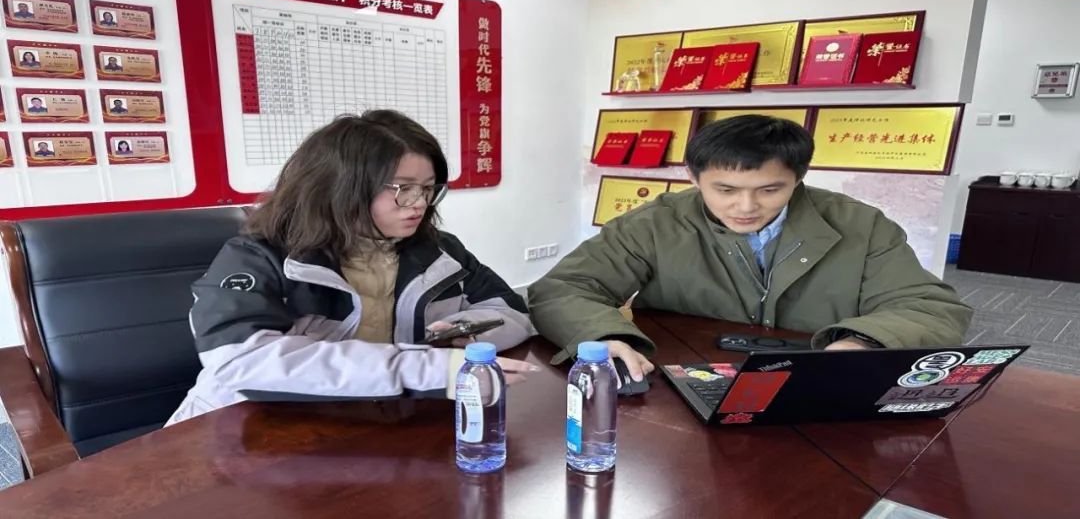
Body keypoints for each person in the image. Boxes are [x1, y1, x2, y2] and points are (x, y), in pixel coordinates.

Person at [529, 115, 973, 381]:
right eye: (724, 189)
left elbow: (930, 308)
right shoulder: (656, 222)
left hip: (814, 383)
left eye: (770, 190)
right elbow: (563, 288)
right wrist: (602, 338)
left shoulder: (860, 224)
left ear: (798, 177)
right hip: (682, 378)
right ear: (692, 177)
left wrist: (862, 343)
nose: (745, 207)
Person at [167, 110, 536, 425]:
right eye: (403, 189)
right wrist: (428, 369)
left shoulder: (439, 251)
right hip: (247, 428)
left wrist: (465, 333)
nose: (419, 204)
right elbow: (242, 360)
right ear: (342, 188)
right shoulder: (261, 255)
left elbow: (513, 312)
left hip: (371, 423)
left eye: (428, 188)